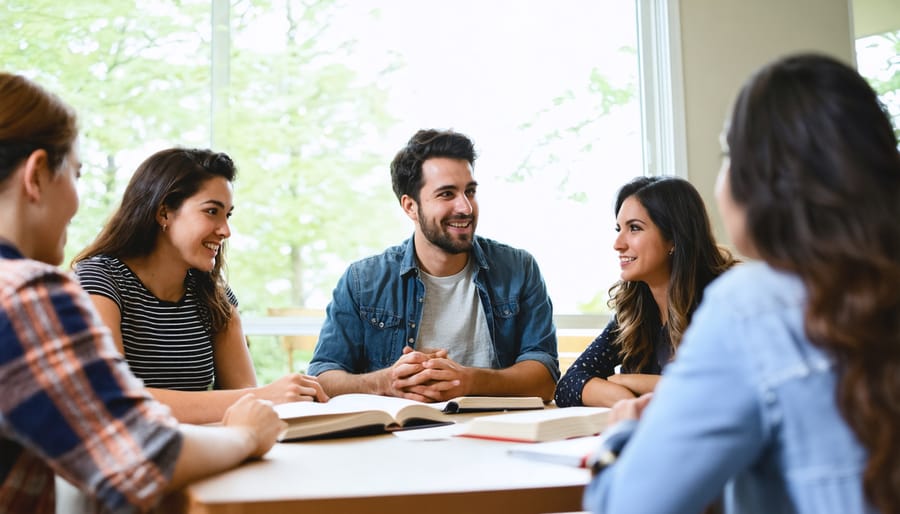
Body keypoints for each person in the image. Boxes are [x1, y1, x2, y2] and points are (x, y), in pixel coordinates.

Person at [583, 53, 900, 514]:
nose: (619, 244)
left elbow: (629, 506)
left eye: (728, 154)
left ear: (768, 181)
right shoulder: (648, 305)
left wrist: (621, 436)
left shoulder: (751, 306)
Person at [0, 72, 284, 513]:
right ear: (37, 174)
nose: (77, 201)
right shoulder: (23, 294)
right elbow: (139, 457)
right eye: (76, 174)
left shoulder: (212, 296)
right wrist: (246, 434)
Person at [72, 147, 328, 425]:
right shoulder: (100, 280)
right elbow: (111, 399)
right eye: (211, 212)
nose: (225, 230)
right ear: (164, 212)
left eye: (227, 215)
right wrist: (263, 396)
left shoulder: (215, 298)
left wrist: (269, 398)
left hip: (204, 451)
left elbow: (243, 399)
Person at [308, 128, 559, 402]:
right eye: (447, 194)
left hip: (495, 432)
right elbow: (323, 378)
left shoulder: (519, 269)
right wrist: (385, 381)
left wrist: (468, 380)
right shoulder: (362, 280)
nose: (465, 207)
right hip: (394, 437)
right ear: (410, 207)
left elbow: (545, 378)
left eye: (470, 191)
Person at [555, 176, 735, 407]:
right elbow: (569, 385)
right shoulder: (635, 310)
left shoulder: (726, 301)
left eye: (634, 228)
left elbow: (717, 391)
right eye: (619, 229)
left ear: (674, 238)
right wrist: (624, 398)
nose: (618, 244)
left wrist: (628, 380)